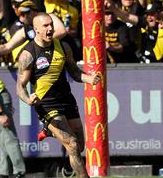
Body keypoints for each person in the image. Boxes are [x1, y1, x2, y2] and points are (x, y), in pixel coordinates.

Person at [16, 13, 101, 178]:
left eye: (51, 25)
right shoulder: (28, 54)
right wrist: (27, 99)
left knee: (80, 146)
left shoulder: (63, 47)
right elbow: (20, 85)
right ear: (36, 30)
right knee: (72, 144)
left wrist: (89, 78)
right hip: (46, 104)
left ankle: (67, 166)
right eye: (45, 26)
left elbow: (75, 72)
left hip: (66, 100)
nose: (50, 29)